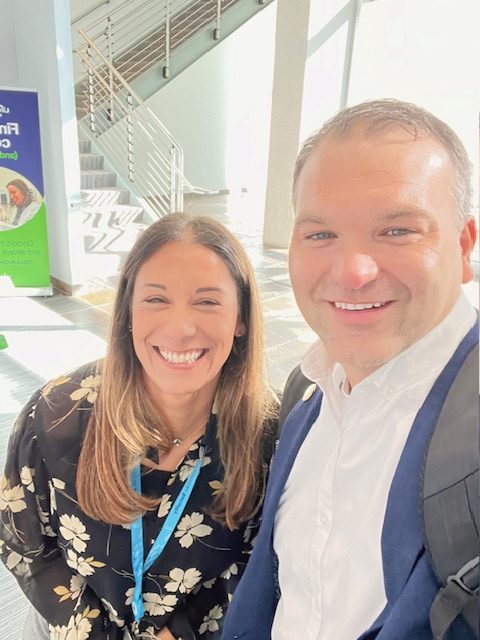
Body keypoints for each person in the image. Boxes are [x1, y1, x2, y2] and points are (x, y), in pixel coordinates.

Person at [222, 99, 478, 640]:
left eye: (398, 231)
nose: (353, 272)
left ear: (463, 245)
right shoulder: (306, 395)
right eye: (320, 234)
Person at [0, 212, 277, 639]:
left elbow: (264, 563)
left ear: (241, 319)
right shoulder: (56, 414)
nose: (181, 328)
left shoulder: (269, 434)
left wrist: (181, 631)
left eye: (207, 301)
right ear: (128, 311)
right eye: (156, 299)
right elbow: (25, 544)